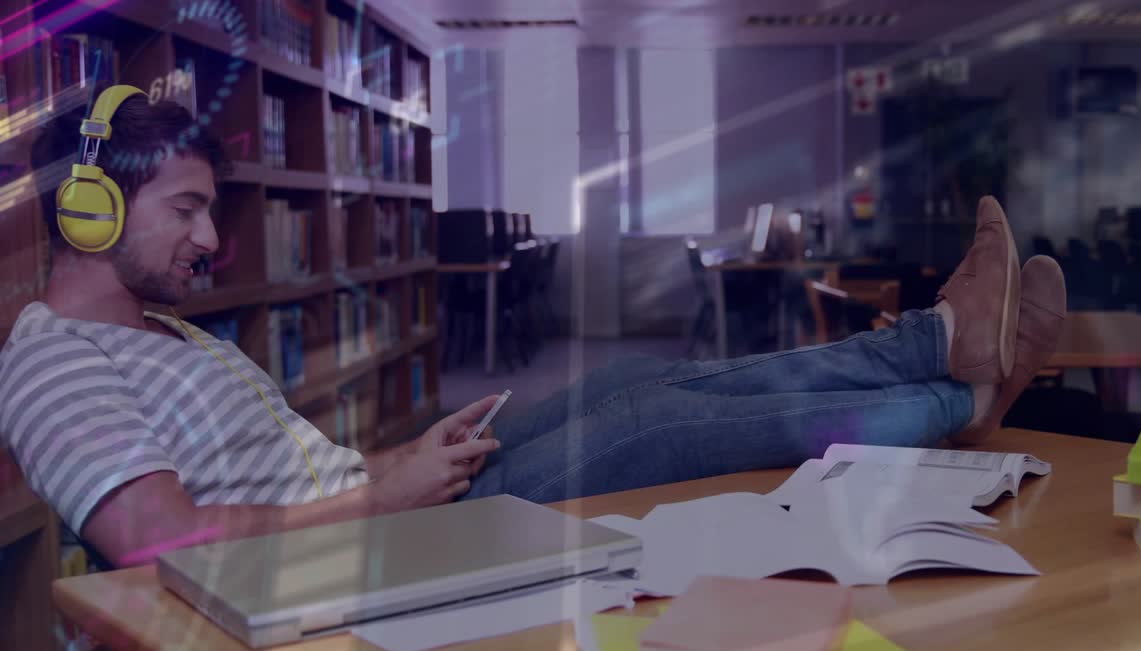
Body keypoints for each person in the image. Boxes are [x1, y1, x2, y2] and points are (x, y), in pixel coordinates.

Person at [0, 90, 1066, 569]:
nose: (210, 243)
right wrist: (382, 495)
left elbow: (276, 475)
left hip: (373, 512)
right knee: (647, 424)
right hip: (363, 555)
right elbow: (145, 541)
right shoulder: (51, 358)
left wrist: (393, 463)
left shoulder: (168, 337)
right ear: (86, 208)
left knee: (654, 385)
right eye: (185, 210)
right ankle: (948, 384)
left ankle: (938, 350)